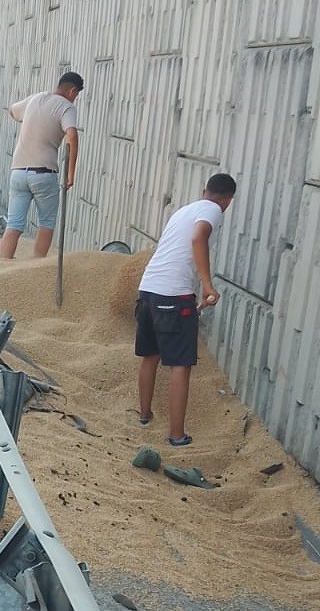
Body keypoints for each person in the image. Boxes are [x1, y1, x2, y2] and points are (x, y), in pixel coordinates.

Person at [134, 173, 237, 447]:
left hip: (147, 289)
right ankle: (176, 435)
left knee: (150, 355)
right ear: (227, 200)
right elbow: (198, 238)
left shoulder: (184, 210)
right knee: (180, 364)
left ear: (205, 190)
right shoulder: (212, 210)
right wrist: (206, 285)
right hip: (173, 295)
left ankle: (144, 415)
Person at [0, 71, 83, 259]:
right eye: (76, 95)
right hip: (43, 173)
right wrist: (70, 174)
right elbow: (72, 134)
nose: (75, 99)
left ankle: (3, 265)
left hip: (18, 172)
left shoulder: (35, 98)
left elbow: (12, 110)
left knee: (14, 224)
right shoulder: (67, 107)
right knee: (47, 222)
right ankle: (35, 267)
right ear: (72, 90)